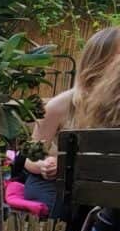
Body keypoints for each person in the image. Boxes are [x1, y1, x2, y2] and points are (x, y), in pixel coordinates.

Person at [23, 27, 120, 216]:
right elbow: (29, 157)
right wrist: (44, 164)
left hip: (101, 188)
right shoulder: (60, 105)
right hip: (54, 184)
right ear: (100, 61)